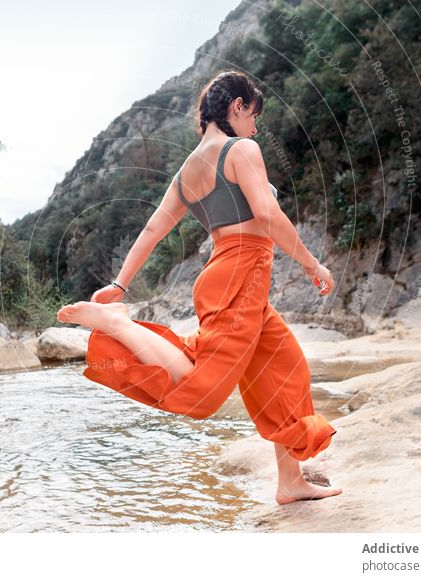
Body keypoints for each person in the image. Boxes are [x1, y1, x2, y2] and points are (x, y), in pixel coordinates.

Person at [56, 71, 342, 505]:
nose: (255, 128)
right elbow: (265, 214)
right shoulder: (242, 149)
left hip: (226, 275)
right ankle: (119, 325)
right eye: (253, 116)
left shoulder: (189, 168)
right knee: (202, 390)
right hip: (242, 276)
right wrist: (311, 262)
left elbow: (153, 229)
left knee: (286, 368)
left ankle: (289, 482)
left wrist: (120, 282)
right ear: (238, 106)